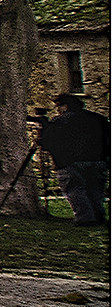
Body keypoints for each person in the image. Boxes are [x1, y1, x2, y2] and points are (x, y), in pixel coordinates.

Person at [37, 92, 109, 226]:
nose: (58, 110)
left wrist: (44, 131)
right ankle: (98, 215)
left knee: (74, 190)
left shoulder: (60, 122)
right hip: (97, 160)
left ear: (65, 106)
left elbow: (47, 143)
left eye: (59, 106)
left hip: (70, 162)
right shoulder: (98, 119)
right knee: (95, 190)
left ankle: (85, 218)